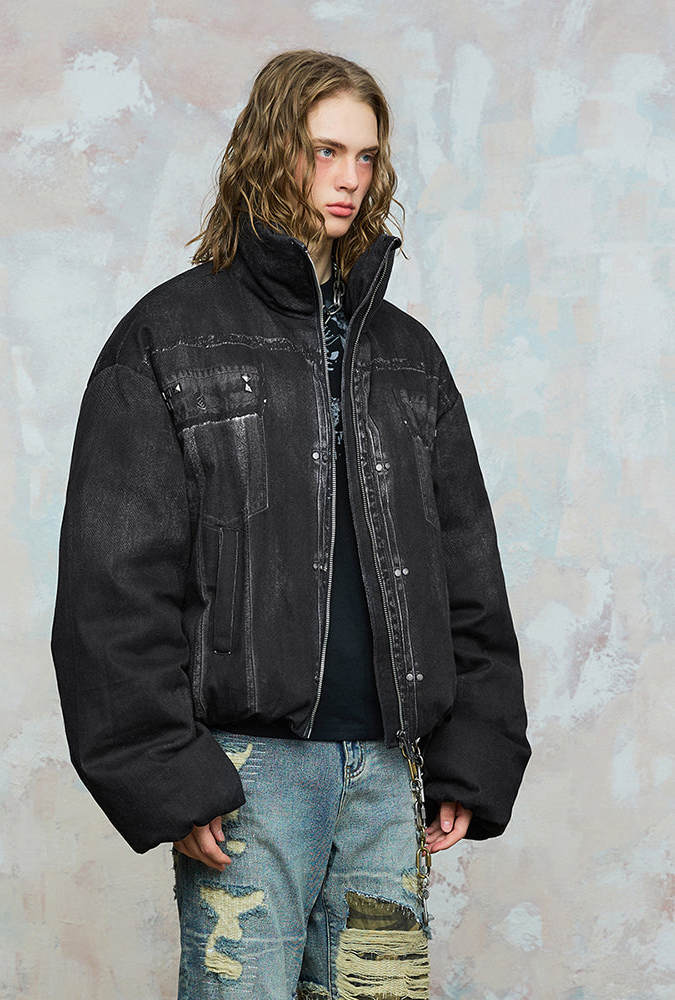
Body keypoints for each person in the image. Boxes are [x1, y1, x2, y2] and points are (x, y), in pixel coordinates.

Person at [52, 49, 530, 1000]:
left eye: (366, 155)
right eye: (324, 151)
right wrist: (168, 775)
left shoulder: (409, 356)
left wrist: (472, 755)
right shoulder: (169, 337)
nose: (349, 177)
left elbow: (467, 569)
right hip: (249, 779)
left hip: (388, 776)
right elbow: (113, 580)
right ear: (271, 151)